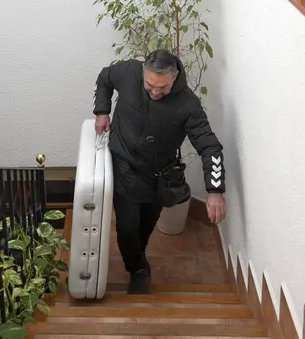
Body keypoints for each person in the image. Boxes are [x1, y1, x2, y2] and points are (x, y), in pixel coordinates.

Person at [93, 49, 226, 294]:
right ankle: (137, 269)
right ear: (143, 73)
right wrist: (102, 110)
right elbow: (104, 78)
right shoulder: (129, 71)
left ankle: (138, 257)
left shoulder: (188, 105)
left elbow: (210, 147)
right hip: (124, 165)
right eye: (149, 85)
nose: (154, 92)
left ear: (174, 77)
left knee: (145, 227)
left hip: (157, 177)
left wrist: (215, 190)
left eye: (162, 88)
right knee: (127, 226)